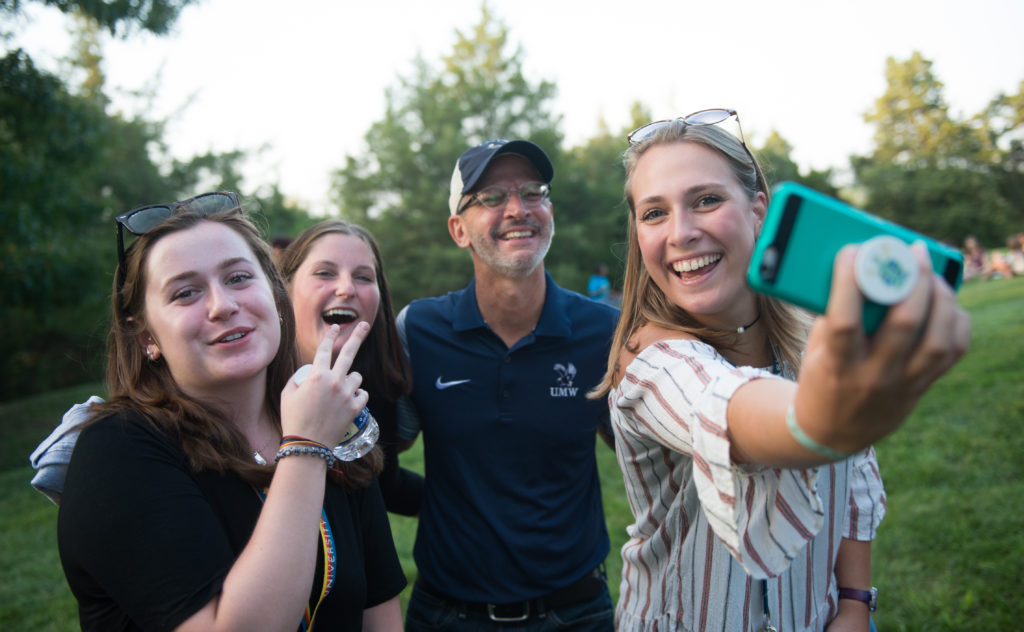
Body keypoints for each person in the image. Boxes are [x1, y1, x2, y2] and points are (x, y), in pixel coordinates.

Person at [591, 112, 970, 632]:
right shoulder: (651, 361)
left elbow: (855, 472)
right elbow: (740, 415)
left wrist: (856, 603)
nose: (681, 232)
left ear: (758, 211)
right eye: (654, 213)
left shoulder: (812, 333)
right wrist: (827, 419)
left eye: (706, 200)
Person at [56, 195, 405, 631]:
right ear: (146, 335)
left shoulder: (330, 416)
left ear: (276, 298)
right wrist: (307, 446)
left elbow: (380, 612)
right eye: (186, 292)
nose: (222, 305)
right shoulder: (117, 450)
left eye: (239, 278)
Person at [396, 138, 619, 630]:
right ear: (458, 230)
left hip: (576, 612)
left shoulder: (604, 332)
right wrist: (443, 507)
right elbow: (376, 463)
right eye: (491, 198)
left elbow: (643, 461)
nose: (518, 209)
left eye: (533, 192)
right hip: (447, 614)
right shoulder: (418, 330)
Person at [278, 219, 423, 515]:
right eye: (325, 273)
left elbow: (386, 487)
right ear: (284, 289)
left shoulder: (373, 395)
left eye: (363, 277)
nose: (346, 288)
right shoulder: (248, 391)